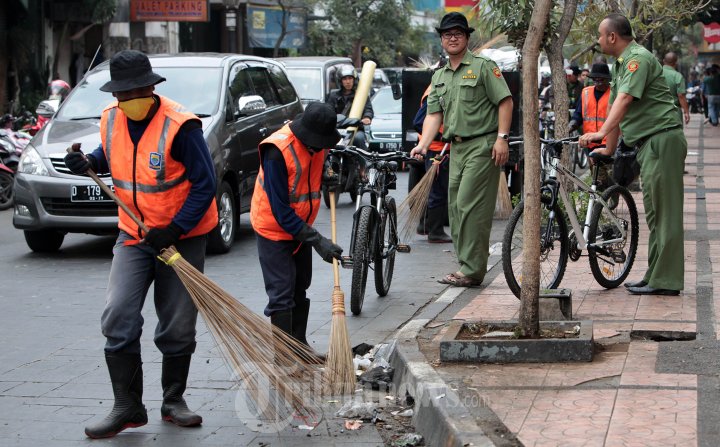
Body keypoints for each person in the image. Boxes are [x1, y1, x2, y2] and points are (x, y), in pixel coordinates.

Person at [63, 50, 219, 438]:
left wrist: (175, 228)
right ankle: (128, 406)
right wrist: (90, 164)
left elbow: (206, 185)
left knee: (178, 323)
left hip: (180, 239)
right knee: (118, 314)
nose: (130, 98)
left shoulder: (181, 127)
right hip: (133, 235)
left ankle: (173, 400)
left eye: (137, 90)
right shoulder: (112, 117)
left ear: (151, 87)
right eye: (123, 92)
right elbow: (111, 156)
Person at [579, 13, 686, 296]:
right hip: (650, 144)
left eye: (600, 35)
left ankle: (666, 280)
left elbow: (624, 101)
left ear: (612, 37)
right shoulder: (621, 65)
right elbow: (618, 103)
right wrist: (609, 147)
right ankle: (655, 274)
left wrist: (600, 133)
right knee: (655, 214)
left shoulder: (637, 59)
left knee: (666, 215)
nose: (598, 40)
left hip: (662, 140)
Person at [410, 12, 513, 287]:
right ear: (442, 40)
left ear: (467, 38)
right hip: (454, 148)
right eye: (447, 34)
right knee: (455, 208)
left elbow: (505, 101)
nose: (452, 38)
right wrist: (422, 145)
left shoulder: (482, 67)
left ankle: (473, 270)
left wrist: (502, 138)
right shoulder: (440, 76)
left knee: (471, 206)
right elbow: (434, 115)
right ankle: (467, 266)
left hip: (483, 145)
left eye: (458, 33)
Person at [250, 102, 343, 361]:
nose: (319, 148)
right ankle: (283, 358)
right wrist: (318, 241)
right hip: (273, 228)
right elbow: (281, 212)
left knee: (300, 286)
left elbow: (306, 177)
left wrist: (327, 177)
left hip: (300, 229)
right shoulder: (276, 151)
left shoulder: (319, 146)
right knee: (281, 292)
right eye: (316, 144)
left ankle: (299, 348)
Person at [412, 68, 452, 243]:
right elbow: (419, 123)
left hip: (432, 146)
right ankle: (435, 231)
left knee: (432, 188)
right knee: (438, 190)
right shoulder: (435, 91)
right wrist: (442, 136)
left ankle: (425, 225)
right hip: (436, 148)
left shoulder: (434, 87)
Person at [570, 63, 613, 188]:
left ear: (608, 79)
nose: (598, 83)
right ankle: (610, 192)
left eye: (602, 80)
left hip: (607, 141)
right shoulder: (586, 93)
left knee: (601, 176)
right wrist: (571, 126)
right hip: (590, 141)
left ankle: (604, 198)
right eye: (596, 80)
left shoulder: (614, 94)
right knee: (596, 175)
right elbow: (578, 114)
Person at [325, 65, 373, 148]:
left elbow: (368, 109)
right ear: (340, 81)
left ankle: (363, 161)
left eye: (350, 78)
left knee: (358, 138)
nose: (348, 82)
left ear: (354, 79)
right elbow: (328, 110)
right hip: (337, 129)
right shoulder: (333, 96)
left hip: (356, 129)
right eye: (344, 79)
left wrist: (367, 117)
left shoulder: (361, 95)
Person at [661, 52, 690, 125]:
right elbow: (681, 96)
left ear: (664, 61)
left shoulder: (655, 73)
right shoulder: (677, 76)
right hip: (673, 111)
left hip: (656, 110)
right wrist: (686, 112)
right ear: (676, 63)